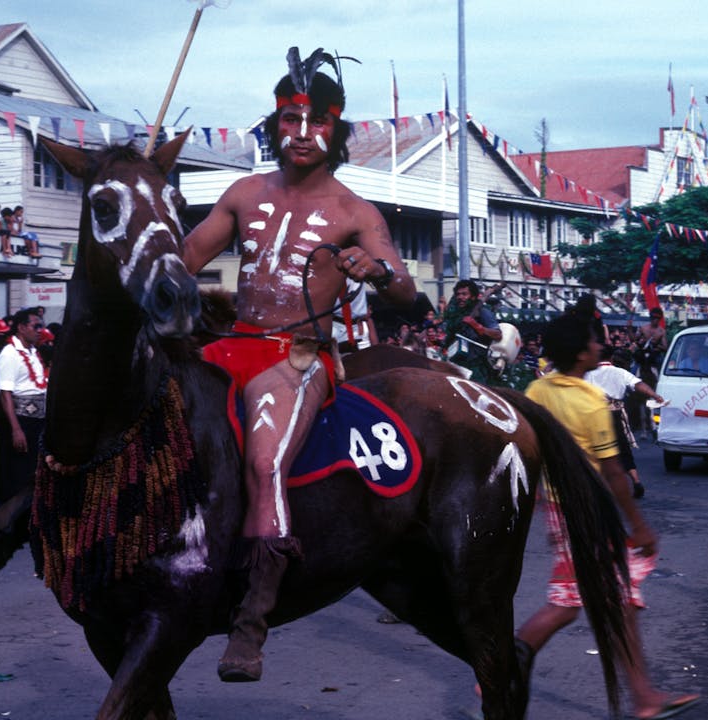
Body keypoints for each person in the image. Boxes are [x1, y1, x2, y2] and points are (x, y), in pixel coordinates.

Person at [182, 48, 415, 682]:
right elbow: (185, 258)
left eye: (317, 122)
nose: (302, 133)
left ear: (337, 130)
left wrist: (377, 270)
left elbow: (404, 289)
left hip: (298, 356)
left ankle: (250, 623)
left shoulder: (355, 211)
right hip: (228, 346)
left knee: (265, 463)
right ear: (275, 124)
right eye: (290, 119)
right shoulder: (242, 192)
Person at [522, 314, 700, 720]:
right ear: (581, 353)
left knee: (619, 604)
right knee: (568, 606)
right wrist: (639, 525)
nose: (600, 346)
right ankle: (496, 677)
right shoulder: (590, 402)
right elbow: (614, 473)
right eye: (593, 341)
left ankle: (644, 697)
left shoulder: (537, 390)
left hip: (562, 511)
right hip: (585, 514)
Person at [585, 345, 669, 499]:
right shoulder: (620, 372)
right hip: (616, 413)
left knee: (597, 450)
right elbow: (639, 385)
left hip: (596, 414)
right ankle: (636, 481)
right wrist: (655, 396)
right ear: (611, 357)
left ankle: (600, 485)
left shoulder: (588, 373)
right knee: (623, 449)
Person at [0, 309, 48, 503]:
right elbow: (5, 394)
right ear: (21, 328)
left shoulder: (34, 352)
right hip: (21, 421)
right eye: (36, 326)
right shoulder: (10, 354)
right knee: (18, 476)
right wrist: (16, 429)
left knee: (34, 474)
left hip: (38, 422)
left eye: (41, 326)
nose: (40, 330)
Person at [441, 280, 501, 384]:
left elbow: (498, 334)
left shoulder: (482, 312)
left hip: (476, 367)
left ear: (473, 297)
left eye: (464, 294)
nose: (460, 297)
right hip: (456, 365)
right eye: (458, 294)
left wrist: (477, 326)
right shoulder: (455, 315)